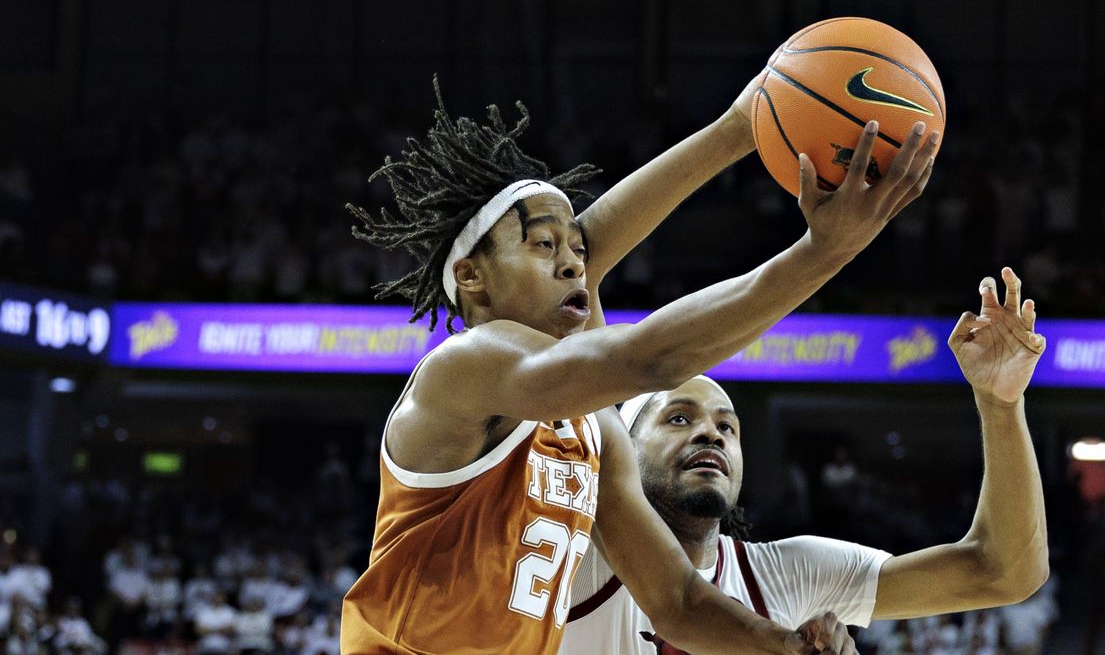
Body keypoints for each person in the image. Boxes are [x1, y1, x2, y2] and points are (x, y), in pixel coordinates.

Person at [339, 72, 937, 654]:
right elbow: (655, 358)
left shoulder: (594, 428)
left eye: (578, 252)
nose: (575, 265)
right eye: (545, 246)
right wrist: (822, 253)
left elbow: (677, 600)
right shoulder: (466, 367)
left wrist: (786, 646)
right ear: (471, 277)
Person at [560, 269, 1050, 654]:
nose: (710, 431)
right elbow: (587, 305)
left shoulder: (790, 575)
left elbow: (1003, 571)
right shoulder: (568, 555)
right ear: (620, 443)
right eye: (679, 418)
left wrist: (1001, 405)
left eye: (727, 427)